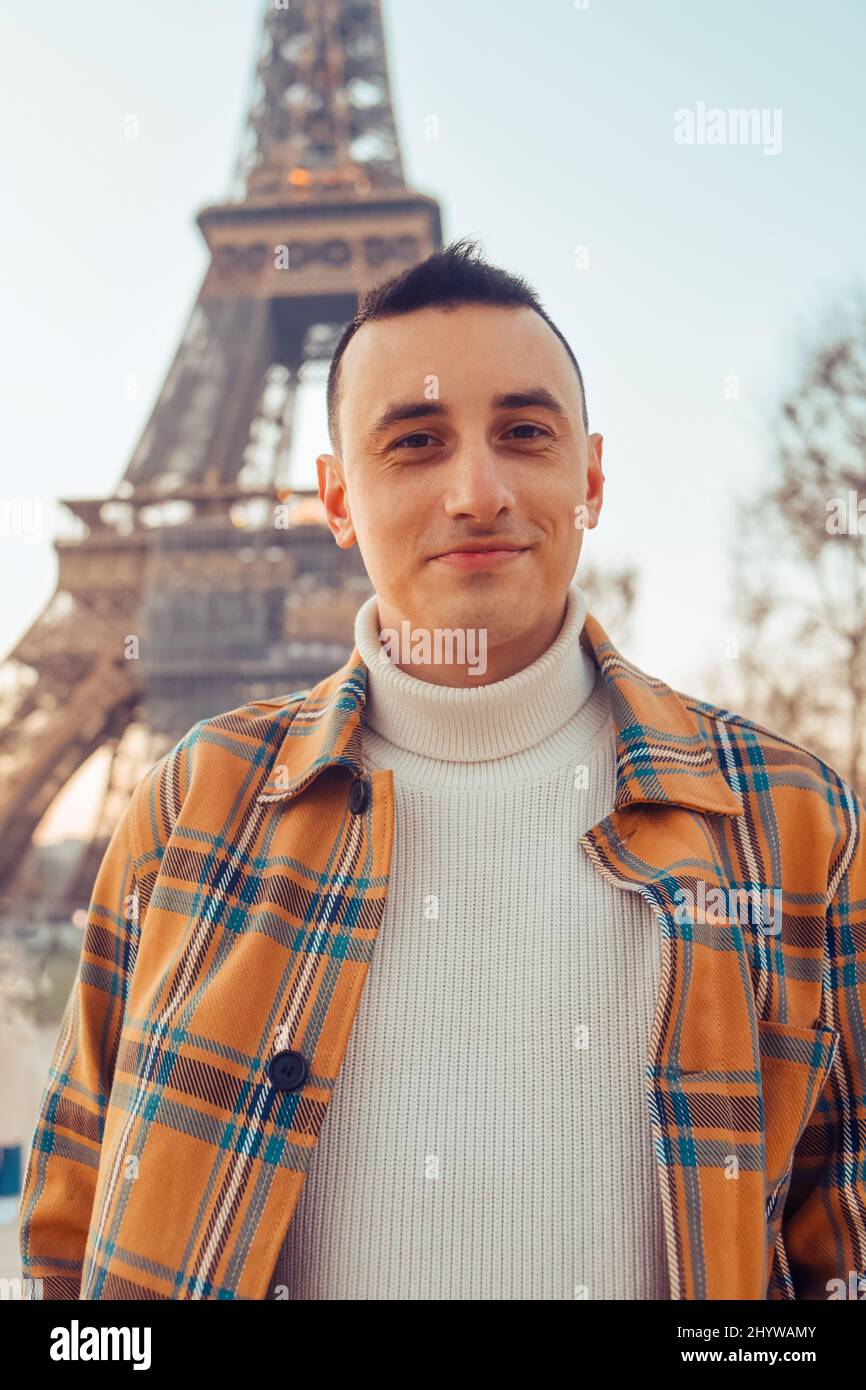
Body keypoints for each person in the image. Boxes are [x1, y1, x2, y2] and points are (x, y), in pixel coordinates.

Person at [19, 239, 866, 1300]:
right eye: (414, 443)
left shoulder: (792, 822)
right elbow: (69, 1230)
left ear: (589, 474)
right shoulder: (192, 804)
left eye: (522, 433)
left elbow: (842, 1255)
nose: (476, 491)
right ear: (334, 498)